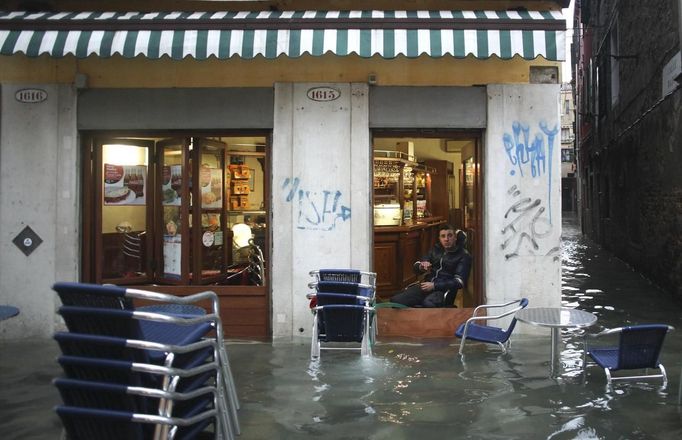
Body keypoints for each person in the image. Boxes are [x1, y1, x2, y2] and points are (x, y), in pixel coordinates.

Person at [390, 225, 472, 308]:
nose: (446, 239)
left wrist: (434, 285)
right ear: (439, 238)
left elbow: (459, 282)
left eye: (450, 235)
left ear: (455, 238)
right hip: (426, 286)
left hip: (443, 290)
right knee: (396, 301)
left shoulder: (463, 255)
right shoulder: (436, 249)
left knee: (427, 304)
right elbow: (417, 266)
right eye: (443, 236)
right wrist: (421, 266)